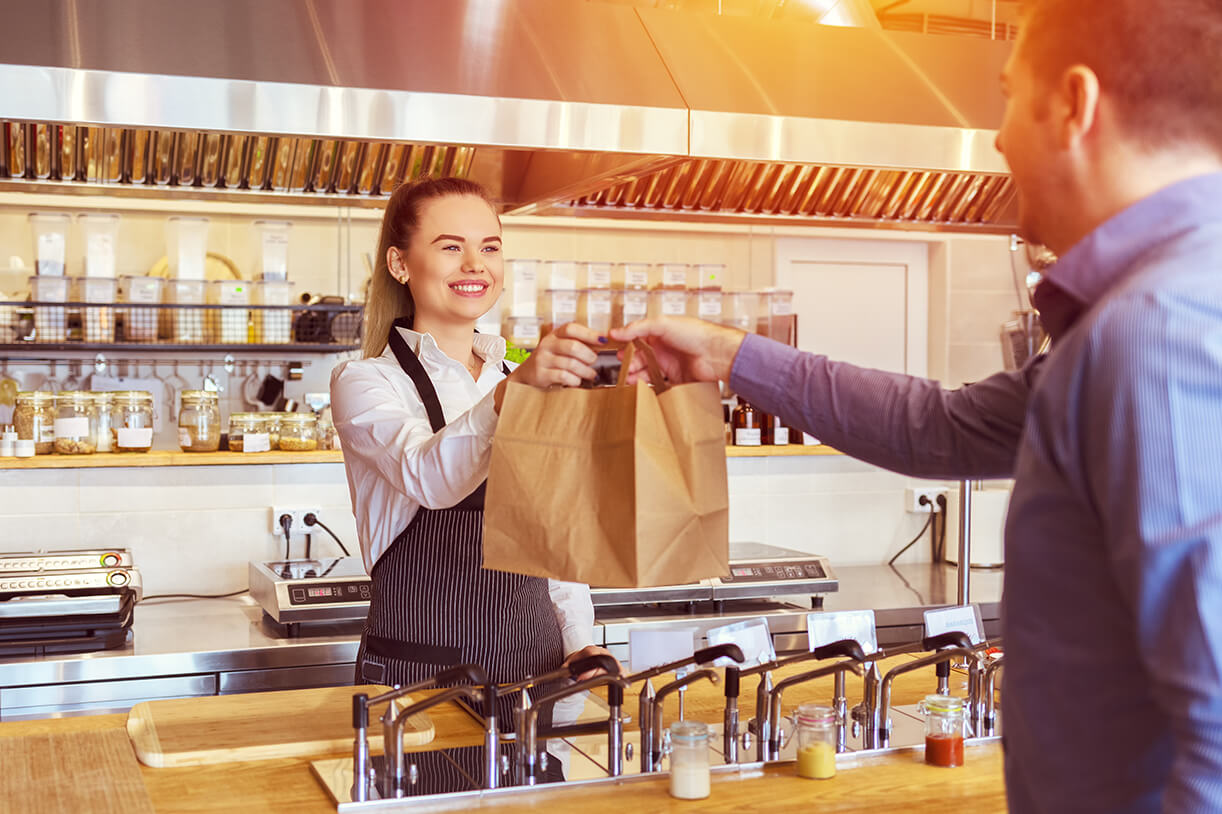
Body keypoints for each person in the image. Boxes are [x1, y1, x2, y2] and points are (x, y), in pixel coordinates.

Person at [613, 1, 1222, 810]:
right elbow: (944, 426)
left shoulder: (1158, 331)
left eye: (1009, 94)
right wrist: (729, 355)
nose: (999, 138)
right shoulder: (1151, 310)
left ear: (1074, 105)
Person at [331, 178, 611, 741]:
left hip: (536, 674)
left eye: (490, 247)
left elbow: (552, 534)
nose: (475, 265)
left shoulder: (514, 376)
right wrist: (515, 395)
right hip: (422, 683)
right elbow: (431, 476)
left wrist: (581, 641)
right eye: (450, 246)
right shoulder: (365, 382)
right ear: (400, 263)